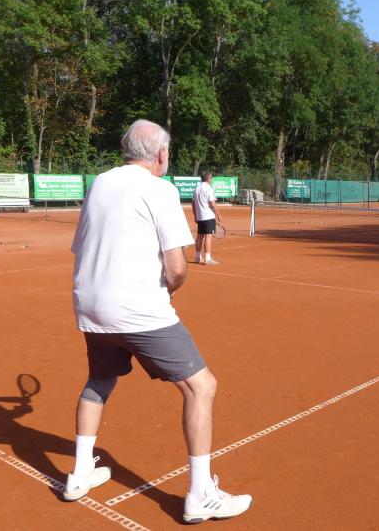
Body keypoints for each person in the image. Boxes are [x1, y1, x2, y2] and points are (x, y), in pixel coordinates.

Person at [66, 119, 252, 523]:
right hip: (137, 309)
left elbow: (81, 247)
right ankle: (201, 495)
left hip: (90, 305)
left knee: (100, 380)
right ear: (162, 154)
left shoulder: (99, 184)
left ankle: (79, 473)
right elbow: (177, 267)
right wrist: (169, 288)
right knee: (202, 387)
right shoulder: (160, 189)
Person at [191, 171, 222, 265]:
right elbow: (212, 203)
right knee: (208, 236)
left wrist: (196, 216)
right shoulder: (208, 188)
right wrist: (218, 214)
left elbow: (193, 204)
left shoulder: (196, 188)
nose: (212, 179)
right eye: (211, 177)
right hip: (208, 216)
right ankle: (207, 259)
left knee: (200, 236)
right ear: (208, 178)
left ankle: (198, 257)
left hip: (200, 217)